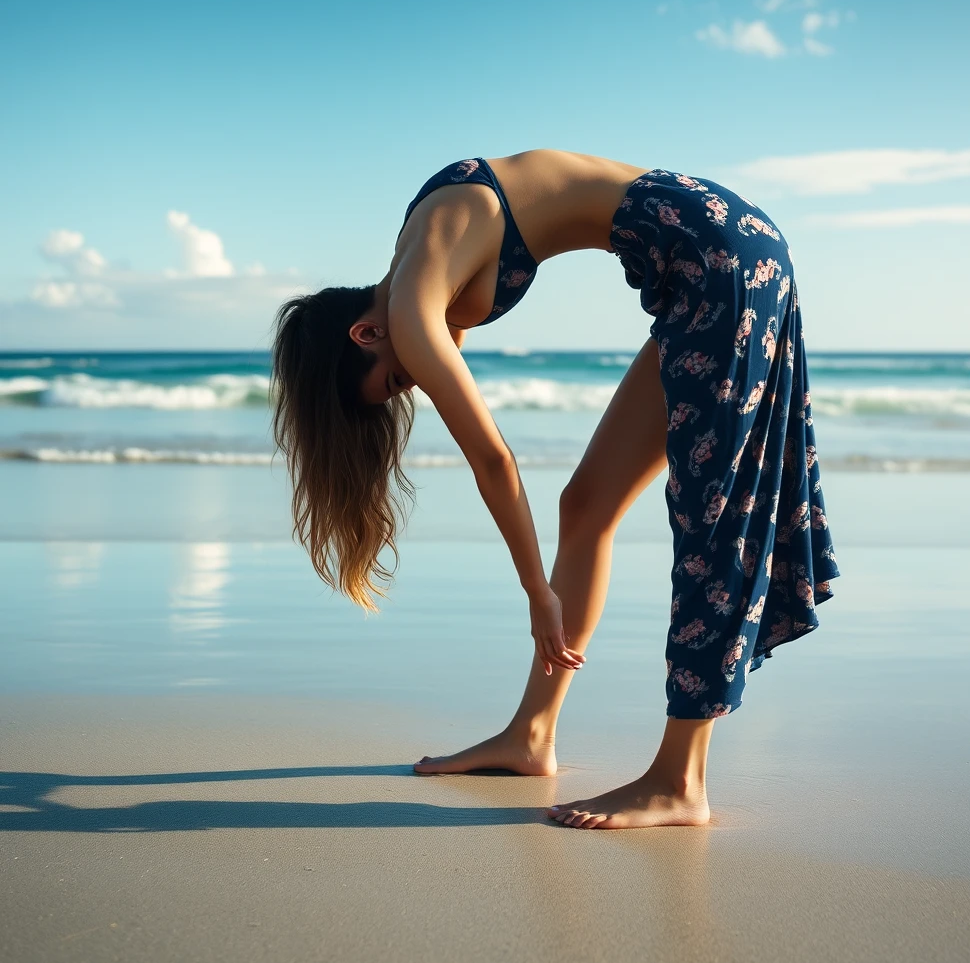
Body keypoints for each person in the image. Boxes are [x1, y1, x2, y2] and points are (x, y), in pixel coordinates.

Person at [270, 149, 840, 829]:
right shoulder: (416, 261)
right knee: (587, 504)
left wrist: (536, 590)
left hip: (720, 257)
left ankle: (680, 779)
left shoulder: (413, 308)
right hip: (710, 258)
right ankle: (531, 736)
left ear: (365, 333)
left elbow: (493, 462)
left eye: (394, 381)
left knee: (709, 513)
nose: (410, 386)